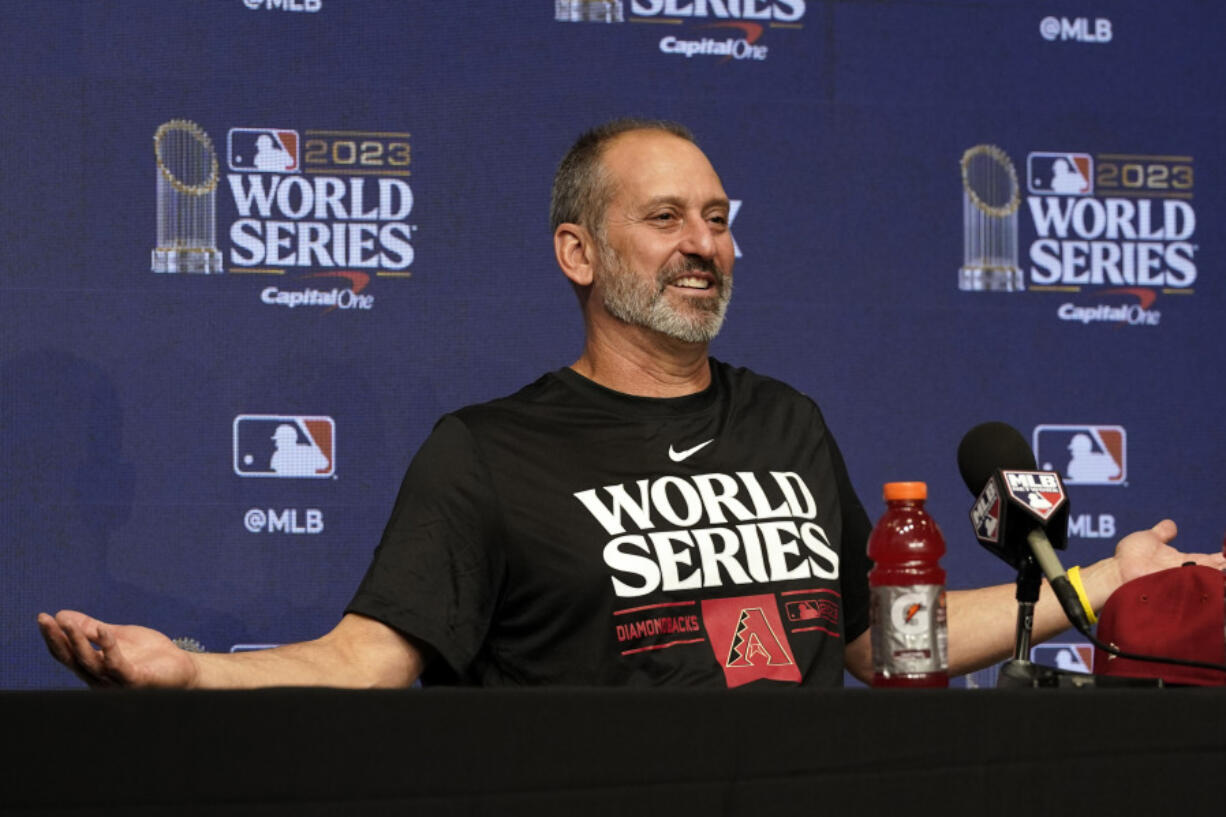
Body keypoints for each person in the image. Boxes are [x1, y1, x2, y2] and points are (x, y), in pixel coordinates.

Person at [38, 119, 1226, 689]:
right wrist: (192, 672)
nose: (702, 244)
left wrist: (1094, 590)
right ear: (577, 250)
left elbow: (876, 641)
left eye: (715, 218)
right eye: (664, 219)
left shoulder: (786, 422)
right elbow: (366, 657)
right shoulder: (487, 453)